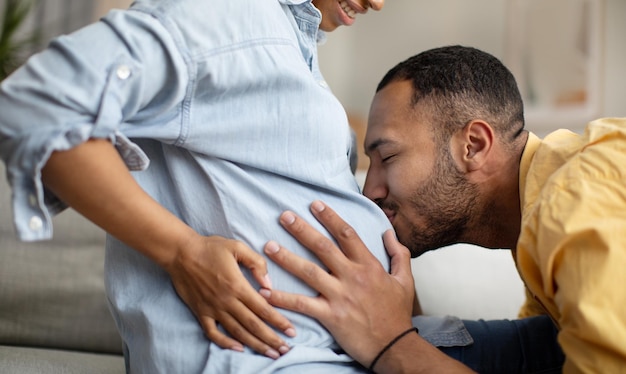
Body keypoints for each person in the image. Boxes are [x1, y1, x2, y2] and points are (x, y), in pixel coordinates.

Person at [0, 0, 433, 372]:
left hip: (353, 350)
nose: (378, 3)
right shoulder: (224, 15)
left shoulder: (286, 43)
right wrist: (181, 250)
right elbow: (35, 107)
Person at [259, 45, 626, 373]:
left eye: (387, 156)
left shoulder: (570, 205)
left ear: (473, 146)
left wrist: (392, 342)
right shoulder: (540, 204)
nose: (370, 191)